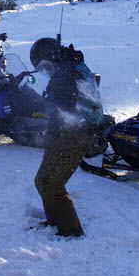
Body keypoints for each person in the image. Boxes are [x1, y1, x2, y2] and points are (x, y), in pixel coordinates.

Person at [34, 44, 100, 237]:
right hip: (66, 134)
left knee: (53, 183)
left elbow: (66, 108)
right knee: (42, 180)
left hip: (74, 135)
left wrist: (54, 129)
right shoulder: (71, 67)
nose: (44, 71)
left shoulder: (66, 74)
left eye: (44, 67)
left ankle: (71, 231)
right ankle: (55, 220)